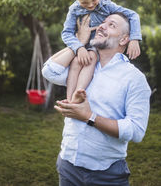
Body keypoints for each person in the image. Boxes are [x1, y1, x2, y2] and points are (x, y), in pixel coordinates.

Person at [42, 13, 151, 186]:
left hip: (107, 174)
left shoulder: (134, 78)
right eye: (103, 22)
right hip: (68, 165)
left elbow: (136, 131)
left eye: (112, 25)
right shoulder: (82, 65)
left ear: (124, 39)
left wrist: (89, 117)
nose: (101, 26)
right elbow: (50, 71)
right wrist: (77, 42)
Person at [60, 0, 142, 103]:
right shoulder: (74, 10)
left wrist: (134, 38)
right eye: (84, 3)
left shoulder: (106, 5)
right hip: (80, 46)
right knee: (75, 62)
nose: (90, 5)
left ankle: (79, 92)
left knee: (91, 58)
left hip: (97, 46)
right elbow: (67, 33)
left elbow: (133, 15)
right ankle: (70, 98)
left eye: (93, 0)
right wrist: (79, 47)